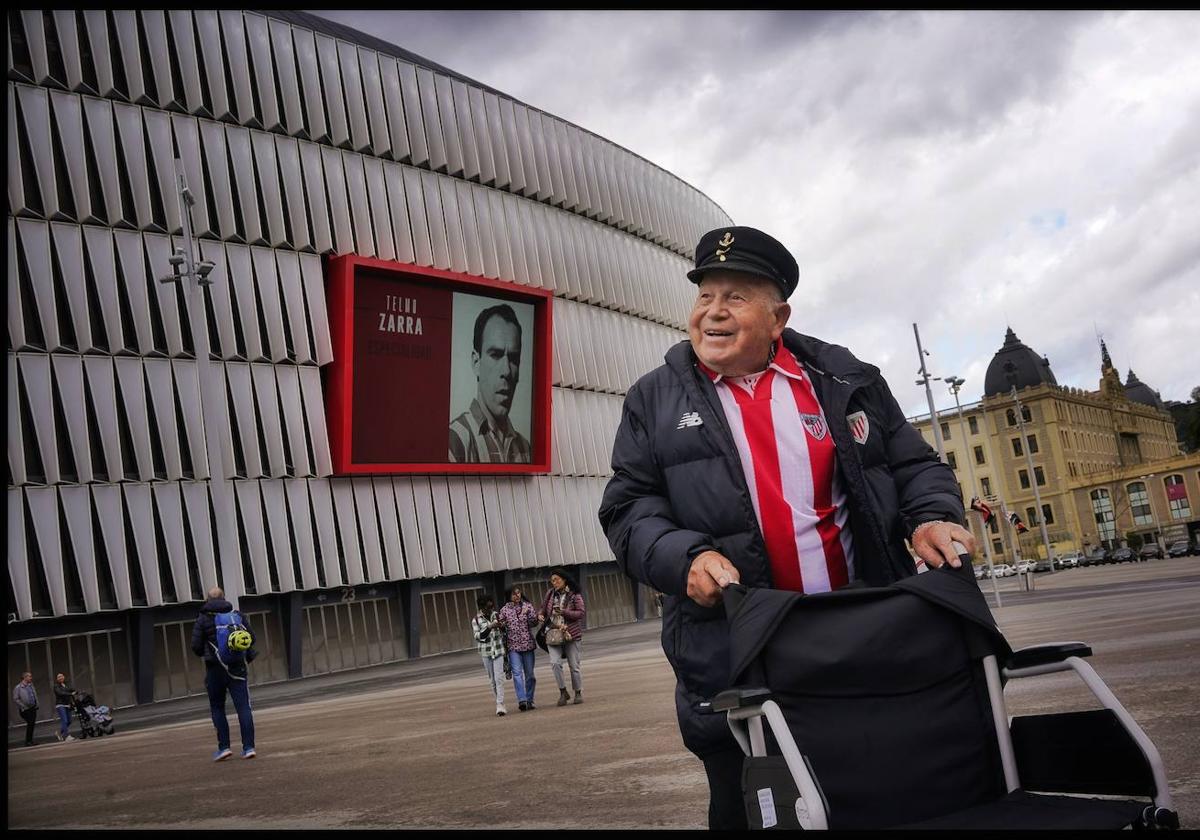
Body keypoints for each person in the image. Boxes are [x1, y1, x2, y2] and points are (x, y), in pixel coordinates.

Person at [598, 226, 974, 829]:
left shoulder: (844, 380)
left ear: (779, 317)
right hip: (737, 650)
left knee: (877, 800)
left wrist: (931, 516)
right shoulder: (654, 399)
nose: (713, 313)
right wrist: (684, 558)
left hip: (858, 635)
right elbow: (628, 508)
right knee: (753, 807)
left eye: (736, 298)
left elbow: (913, 465)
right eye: (704, 296)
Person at [449, 304, 532, 463]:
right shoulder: (455, 442)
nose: (507, 371)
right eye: (496, 355)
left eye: (514, 359)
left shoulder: (525, 449)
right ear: (476, 362)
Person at [191, 587, 258, 761]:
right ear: (224, 598)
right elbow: (252, 638)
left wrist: (208, 654)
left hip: (214, 669)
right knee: (243, 707)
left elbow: (195, 646)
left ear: (207, 599)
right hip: (237, 667)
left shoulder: (203, 619)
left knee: (217, 707)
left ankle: (224, 747)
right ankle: (249, 747)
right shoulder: (237, 616)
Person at [538, 569, 586, 706]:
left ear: (564, 579)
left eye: (557, 579)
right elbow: (542, 608)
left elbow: (581, 613)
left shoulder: (574, 595)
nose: (555, 582)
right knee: (555, 663)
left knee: (574, 666)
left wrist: (564, 612)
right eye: (552, 580)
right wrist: (540, 614)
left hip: (571, 634)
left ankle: (578, 692)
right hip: (552, 633)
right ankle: (563, 691)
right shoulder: (550, 594)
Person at [496, 585, 539, 711]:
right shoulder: (504, 610)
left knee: (530, 674)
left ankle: (530, 699)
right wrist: (500, 624)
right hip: (513, 646)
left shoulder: (527, 606)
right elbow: (501, 625)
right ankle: (522, 700)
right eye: (514, 594)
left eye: (518, 593)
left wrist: (529, 614)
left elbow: (534, 622)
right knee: (517, 674)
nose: (517, 596)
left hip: (528, 645)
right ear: (509, 596)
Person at [471, 594, 509, 717]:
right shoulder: (476, 620)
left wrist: (502, 626)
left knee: (499, 678)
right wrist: (490, 627)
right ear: (482, 608)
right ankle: (498, 701)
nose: (490, 610)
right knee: (492, 680)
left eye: (491, 607)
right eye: (487, 608)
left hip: (498, 650)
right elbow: (479, 637)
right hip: (485, 652)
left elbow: (505, 630)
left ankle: (500, 704)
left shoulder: (497, 615)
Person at [12, 672, 38, 747]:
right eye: (29, 676)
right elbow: (16, 699)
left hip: (33, 707)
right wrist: (23, 706)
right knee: (30, 723)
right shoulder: (18, 687)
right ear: (25, 677)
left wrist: (37, 704)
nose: (31, 678)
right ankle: (28, 742)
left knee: (32, 724)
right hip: (25, 709)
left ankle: (30, 741)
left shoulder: (31, 686)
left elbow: (34, 695)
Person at [53, 673, 77, 742]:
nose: (60, 678)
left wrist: (75, 691)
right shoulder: (56, 686)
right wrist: (70, 693)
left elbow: (72, 689)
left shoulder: (66, 685)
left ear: (64, 677)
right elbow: (60, 693)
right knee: (64, 720)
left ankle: (59, 733)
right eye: (59, 677)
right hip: (60, 705)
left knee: (69, 721)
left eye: (61, 676)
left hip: (67, 705)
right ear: (57, 679)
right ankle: (66, 736)